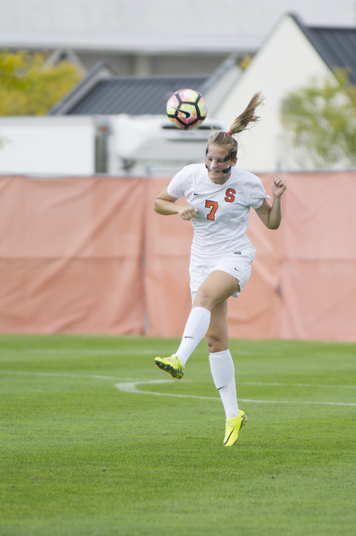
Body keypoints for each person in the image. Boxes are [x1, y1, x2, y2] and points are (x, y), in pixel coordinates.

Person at [152, 92, 286, 447]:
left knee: (204, 296)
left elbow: (271, 223)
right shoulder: (190, 176)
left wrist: (279, 197)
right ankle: (233, 415)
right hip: (201, 259)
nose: (213, 166)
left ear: (234, 161)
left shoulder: (246, 182)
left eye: (221, 161)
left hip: (235, 255)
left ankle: (179, 359)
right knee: (215, 340)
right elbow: (159, 202)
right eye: (209, 159)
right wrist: (176, 211)